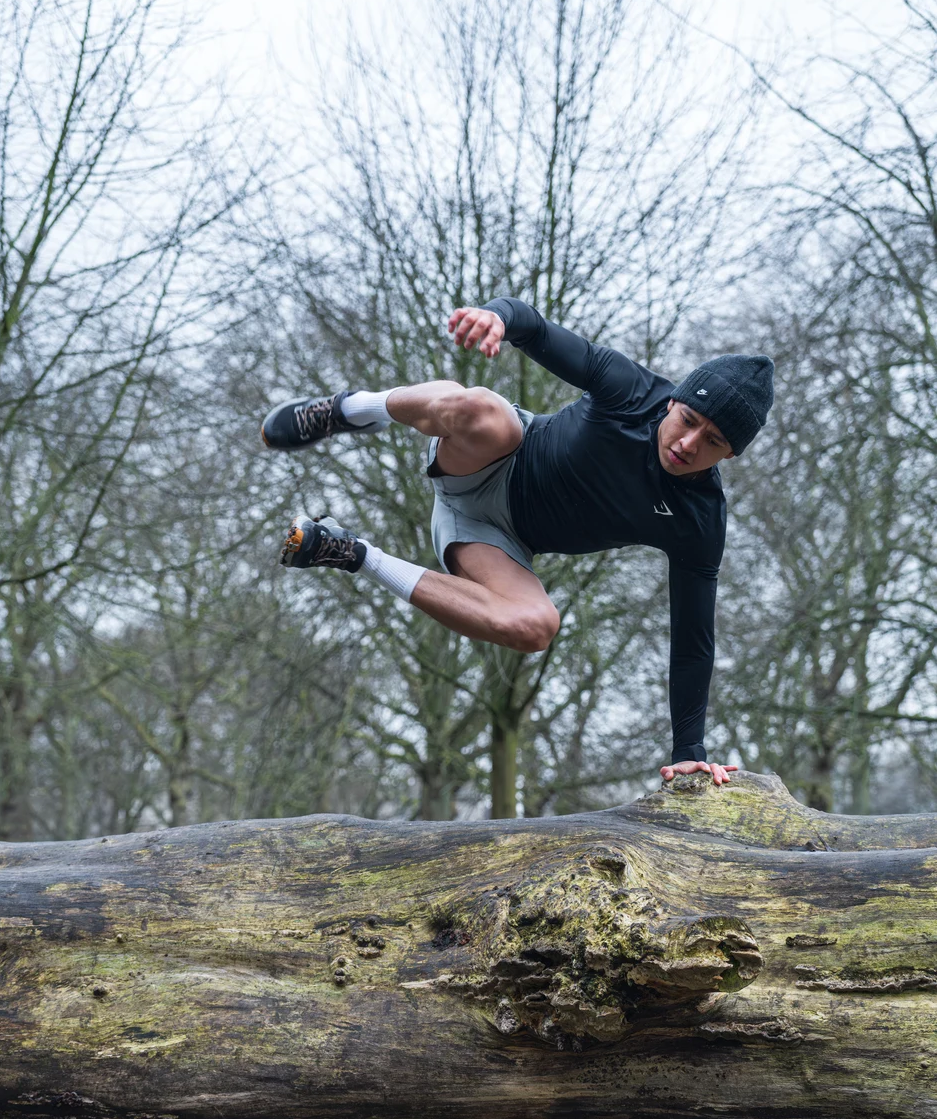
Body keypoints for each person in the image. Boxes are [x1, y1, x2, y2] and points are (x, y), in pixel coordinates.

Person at [260, 298, 774, 786]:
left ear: (730, 456)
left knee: (536, 627)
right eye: (688, 421)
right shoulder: (633, 392)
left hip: (489, 539)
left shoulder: (699, 520)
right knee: (485, 411)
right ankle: (350, 410)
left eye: (713, 442)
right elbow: (535, 328)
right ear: (675, 402)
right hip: (488, 455)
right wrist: (496, 319)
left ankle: (350, 552)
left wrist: (690, 753)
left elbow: (692, 642)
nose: (688, 445)